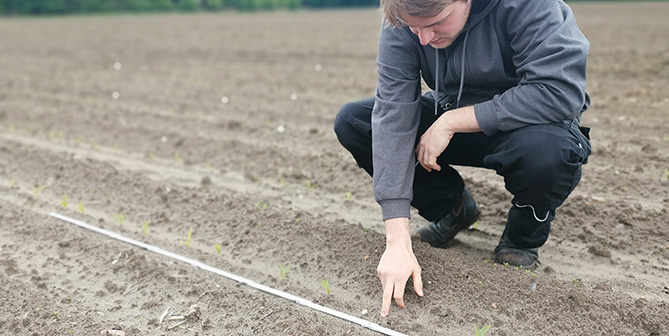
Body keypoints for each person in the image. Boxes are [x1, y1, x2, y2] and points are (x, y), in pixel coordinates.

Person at [334, 0, 592, 317]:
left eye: (435, 23)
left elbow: (559, 91)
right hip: (450, 114)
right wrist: (397, 241)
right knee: (356, 122)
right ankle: (452, 209)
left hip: (528, 123)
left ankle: (522, 237)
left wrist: (452, 122)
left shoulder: (529, 5)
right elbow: (393, 118)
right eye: (415, 28)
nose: (424, 39)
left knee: (548, 154)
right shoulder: (402, 20)